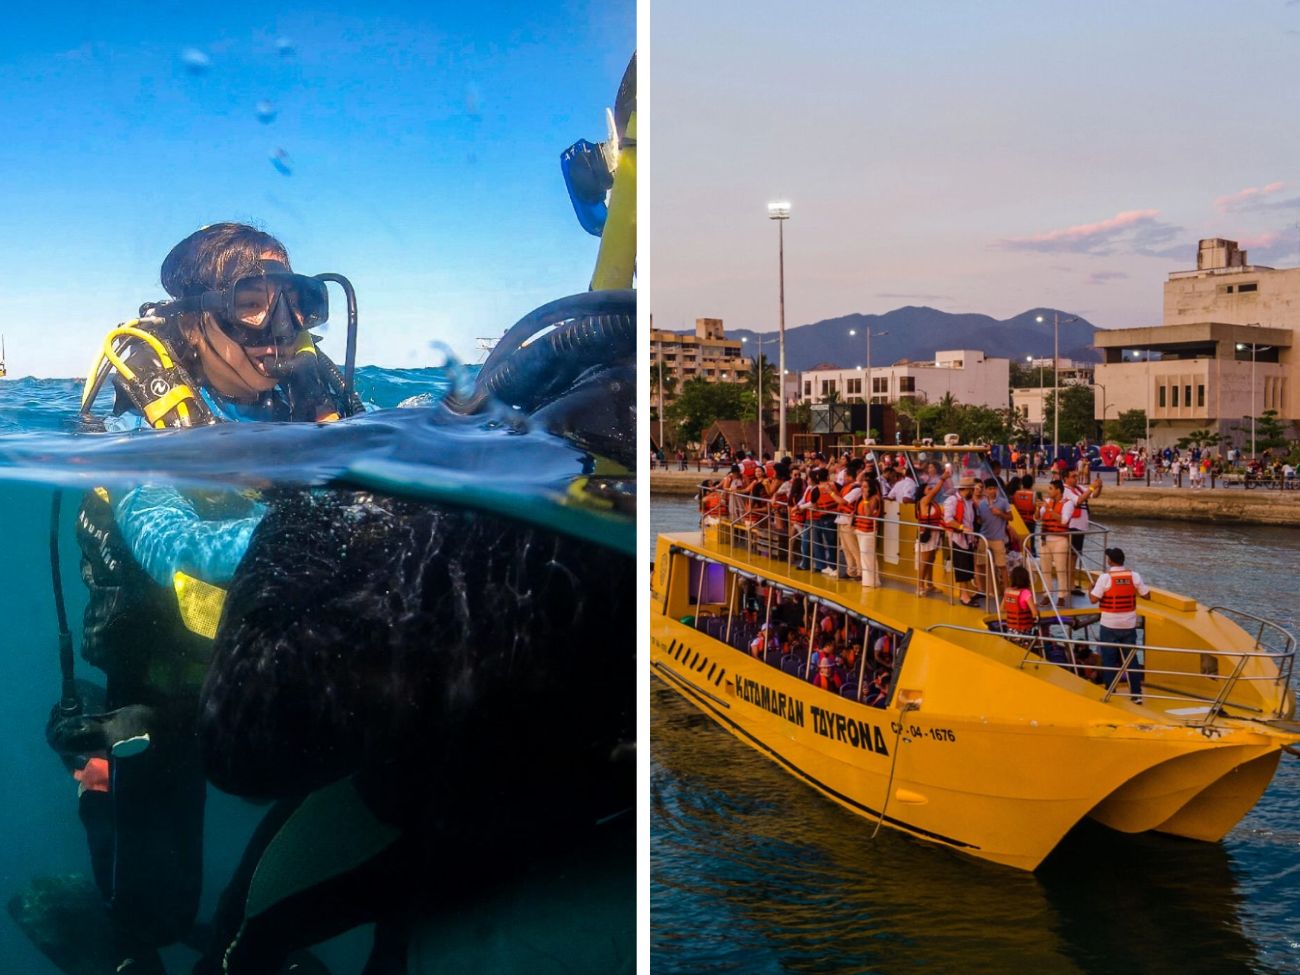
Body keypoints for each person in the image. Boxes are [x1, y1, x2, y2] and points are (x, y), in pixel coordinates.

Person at [51, 224, 362, 974]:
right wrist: (314, 538)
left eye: (297, 300)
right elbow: (167, 542)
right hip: (157, 662)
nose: (281, 327)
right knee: (157, 909)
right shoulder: (137, 407)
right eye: (252, 299)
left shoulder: (305, 385)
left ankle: (249, 930)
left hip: (266, 638)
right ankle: (100, 796)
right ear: (193, 312)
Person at [1088, 547, 1151, 703]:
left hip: (1109, 625)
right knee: (1131, 659)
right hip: (1129, 625)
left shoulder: (1104, 578)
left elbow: (1093, 600)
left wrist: (1091, 588)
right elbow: (1147, 595)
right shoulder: (1134, 576)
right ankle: (1136, 694)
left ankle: (1111, 690)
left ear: (1110, 561)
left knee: (1108, 658)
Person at [1037, 479, 1075, 605]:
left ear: (1058, 490)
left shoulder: (1068, 504)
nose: (1049, 491)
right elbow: (1037, 518)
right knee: (1045, 569)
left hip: (1060, 540)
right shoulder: (1047, 502)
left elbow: (1064, 520)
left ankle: (1062, 596)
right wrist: (1038, 509)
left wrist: (1049, 510)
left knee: (1060, 569)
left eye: (1051, 488)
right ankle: (1047, 594)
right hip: (1045, 539)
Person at [944, 476, 980, 606]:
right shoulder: (952, 501)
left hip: (969, 538)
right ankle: (964, 595)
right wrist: (961, 527)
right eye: (971, 489)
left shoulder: (969, 501)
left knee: (968, 566)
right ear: (965, 489)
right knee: (961, 566)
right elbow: (948, 519)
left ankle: (966, 593)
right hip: (958, 538)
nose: (973, 491)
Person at [975, 476, 1012, 597]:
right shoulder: (981, 504)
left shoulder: (1003, 502)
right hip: (984, 538)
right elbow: (979, 520)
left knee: (1002, 566)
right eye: (989, 489)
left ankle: (1007, 591)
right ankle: (985, 590)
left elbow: (1011, 517)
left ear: (996, 489)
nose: (992, 491)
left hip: (998, 539)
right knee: (981, 564)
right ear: (985, 490)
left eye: (993, 488)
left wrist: (1000, 513)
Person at [854, 474, 883, 588]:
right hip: (861, 529)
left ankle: (869, 582)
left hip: (868, 531)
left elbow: (868, 514)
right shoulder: (862, 498)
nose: (862, 488)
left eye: (865, 487)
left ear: (871, 488)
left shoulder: (874, 498)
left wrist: (865, 499)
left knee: (867, 556)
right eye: (862, 486)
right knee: (865, 556)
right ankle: (872, 581)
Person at [1001, 565, 1038, 636]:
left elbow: (1001, 609)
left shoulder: (1007, 591)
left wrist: (1013, 611)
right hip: (1024, 630)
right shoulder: (1026, 593)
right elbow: (1034, 613)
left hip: (1011, 630)